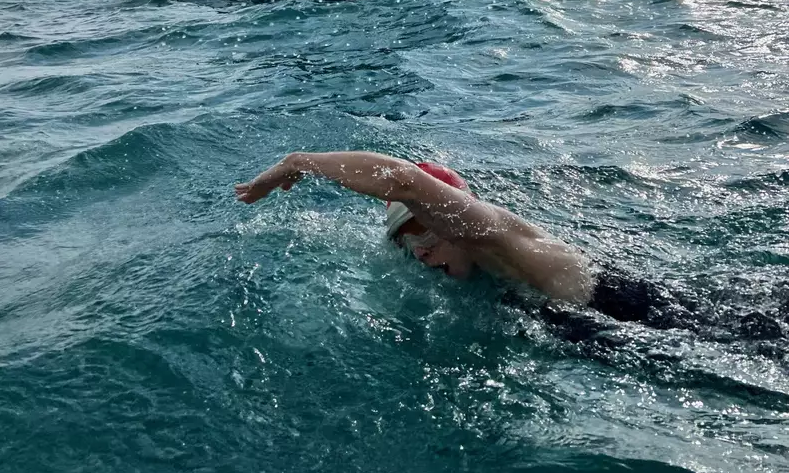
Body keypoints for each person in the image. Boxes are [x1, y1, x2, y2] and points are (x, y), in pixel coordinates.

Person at [234, 153, 759, 332]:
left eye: (422, 230)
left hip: (667, 318)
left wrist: (296, 163)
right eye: (404, 242)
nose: (419, 252)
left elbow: (406, 181)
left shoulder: (493, 236)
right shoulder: (478, 273)